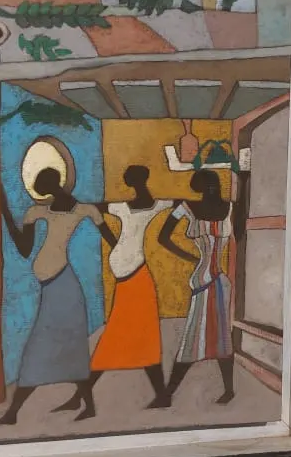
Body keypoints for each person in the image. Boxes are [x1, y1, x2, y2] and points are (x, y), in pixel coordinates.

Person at [0, 167, 116, 426]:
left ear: (53, 184)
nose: (41, 192)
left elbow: (113, 241)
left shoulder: (83, 210)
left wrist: (5, 211)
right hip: (53, 287)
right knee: (68, 348)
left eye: (42, 186)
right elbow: (25, 250)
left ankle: (14, 413)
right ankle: (83, 405)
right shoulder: (38, 212)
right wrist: (6, 212)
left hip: (63, 286)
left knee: (51, 348)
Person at [55, 165, 172, 414]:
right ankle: (160, 395)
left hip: (137, 279)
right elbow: (93, 207)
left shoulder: (148, 205)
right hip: (128, 279)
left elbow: (92, 207)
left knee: (131, 339)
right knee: (136, 339)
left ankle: (81, 396)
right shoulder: (129, 206)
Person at [156, 167, 249, 406]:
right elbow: (162, 238)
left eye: (209, 187)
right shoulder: (191, 207)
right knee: (201, 337)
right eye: (208, 187)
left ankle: (169, 395)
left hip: (215, 281)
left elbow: (239, 234)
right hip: (207, 281)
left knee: (212, 338)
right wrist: (189, 257)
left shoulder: (223, 207)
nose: (209, 191)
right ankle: (169, 394)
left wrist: (244, 190)